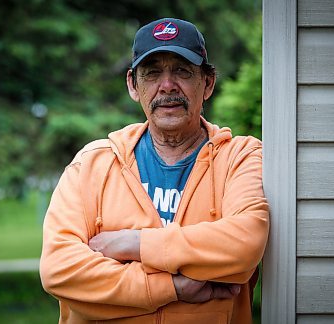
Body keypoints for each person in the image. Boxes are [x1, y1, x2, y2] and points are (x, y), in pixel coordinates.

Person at [40, 17, 269, 324]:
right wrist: (173, 286)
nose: (167, 85)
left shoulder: (240, 157)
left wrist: (133, 243)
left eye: (182, 71)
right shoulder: (92, 164)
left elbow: (244, 246)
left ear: (208, 83)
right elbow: (60, 269)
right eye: (152, 73)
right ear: (133, 86)